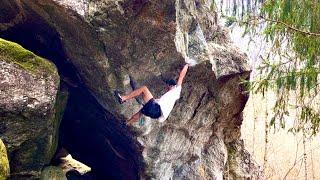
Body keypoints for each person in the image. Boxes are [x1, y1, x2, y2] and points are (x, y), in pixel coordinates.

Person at [115, 64, 189, 125]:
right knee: (141, 112)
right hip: (155, 114)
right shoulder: (168, 98)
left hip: (155, 109)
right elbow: (150, 100)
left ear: (172, 86)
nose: (167, 88)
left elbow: (181, 76)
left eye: (168, 86)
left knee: (144, 89)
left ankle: (123, 98)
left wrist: (187, 65)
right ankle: (127, 123)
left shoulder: (176, 90)